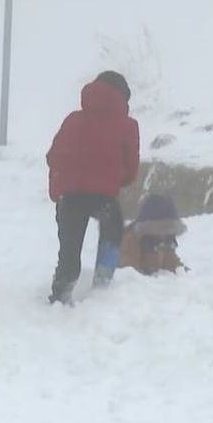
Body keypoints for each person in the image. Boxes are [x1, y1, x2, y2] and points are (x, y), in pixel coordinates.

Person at [46, 71, 140, 305]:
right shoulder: (127, 125)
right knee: (113, 228)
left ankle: (60, 295)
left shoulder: (73, 120)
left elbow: (53, 156)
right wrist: (116, 181)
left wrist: (61, 187)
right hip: (103, 198)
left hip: (70, 196)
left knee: (70, 248)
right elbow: (131, 167)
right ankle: (102, 287)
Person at [120, 194, 187, 275]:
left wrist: (182, 270)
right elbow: (128, 271)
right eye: (163, 227)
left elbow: (171, 260)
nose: (165, 234)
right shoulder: (132, 239)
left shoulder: (165, 238)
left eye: (168, 229)